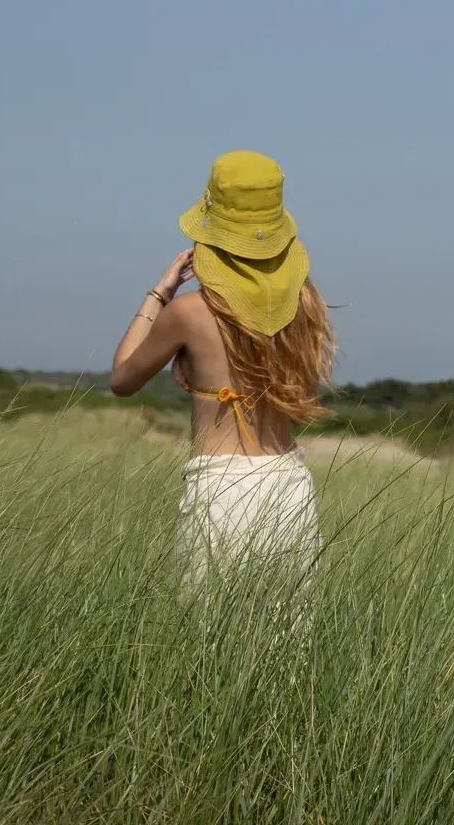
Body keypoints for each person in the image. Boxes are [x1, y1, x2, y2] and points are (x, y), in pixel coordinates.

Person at [110, 150, 335, 590]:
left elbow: (122, 379)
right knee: (289, 638)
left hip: (219, 489)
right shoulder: (306, 305)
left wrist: (159, 295)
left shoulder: (190, 312)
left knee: (208, 638)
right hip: (289, 484)